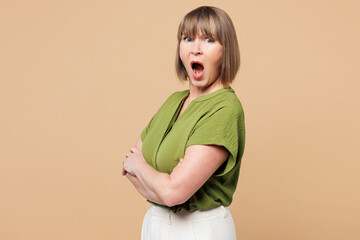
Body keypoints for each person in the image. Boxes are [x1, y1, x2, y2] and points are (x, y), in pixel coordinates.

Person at [122, 6, 245, 240]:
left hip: (198, 230)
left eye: (209, 40)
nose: (195, 49)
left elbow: (172, 193)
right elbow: (128, 166)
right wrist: (158, 180)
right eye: (188, 39)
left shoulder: (224, 108)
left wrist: (143, 168)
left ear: (225, 51)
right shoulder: (174, 101)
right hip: (154, 224)